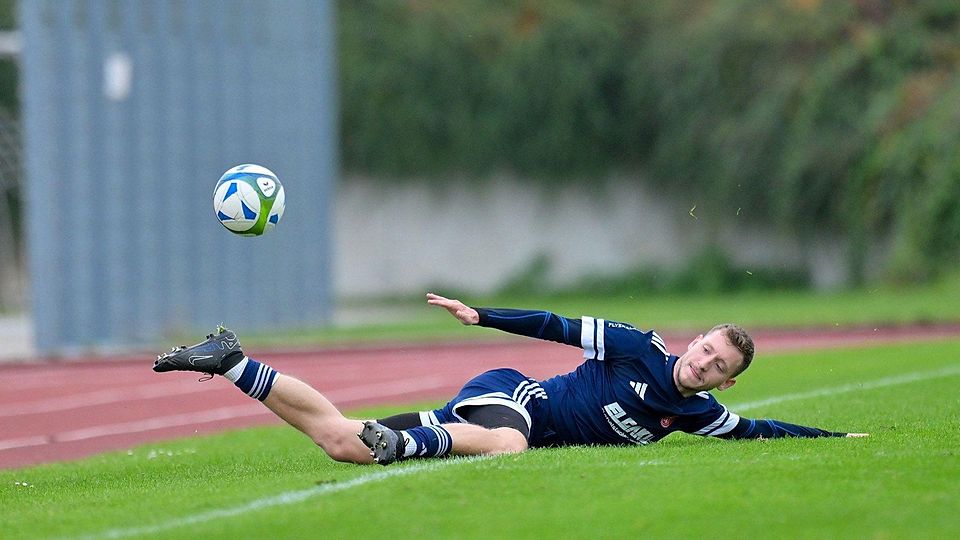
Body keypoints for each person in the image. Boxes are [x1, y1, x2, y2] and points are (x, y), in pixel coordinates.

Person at [153, 293, 866, 465]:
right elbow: (556, 326)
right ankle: (406, 447)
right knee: (512, 447)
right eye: (705, 347)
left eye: (717, 366)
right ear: (694, 339)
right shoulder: (638, 348)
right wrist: (482, 316)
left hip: (488, 419)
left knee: (343, 442)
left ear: (724, 383)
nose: (702, 362)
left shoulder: (699, 415)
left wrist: (836, 438)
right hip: (515, 398)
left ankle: (232, 361)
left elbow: (761, 430)